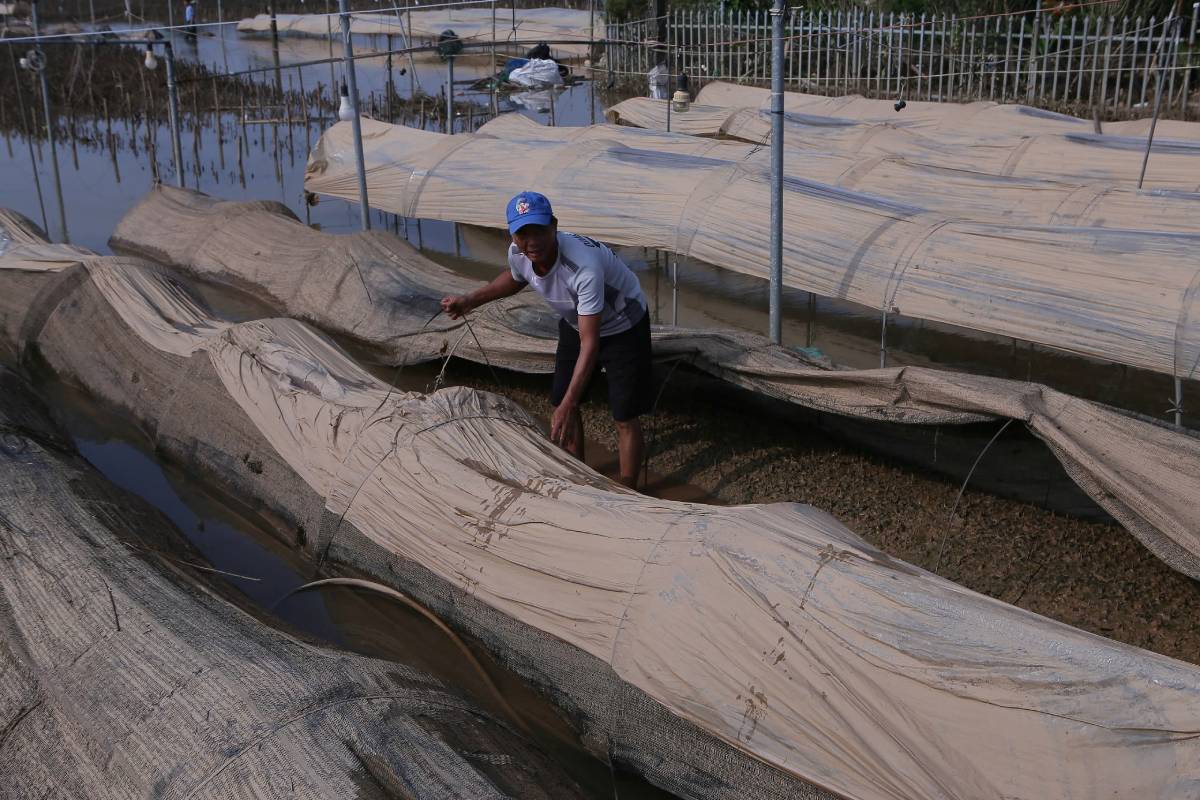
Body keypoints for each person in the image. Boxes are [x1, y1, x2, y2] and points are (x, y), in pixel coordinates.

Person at [441, 192, 652, 490]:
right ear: (512, 234)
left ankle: (630, 490)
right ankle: (579, 477)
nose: (532, 240)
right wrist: (470, 300)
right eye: (522, 233)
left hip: (622, 325)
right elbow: (515, 278)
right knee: (562, 402)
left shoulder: (582, 267)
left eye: (539, 230)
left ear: (553, 226)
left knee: (623, 414)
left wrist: (569, 402)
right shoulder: (519, 253)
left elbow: (590, 344)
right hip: (575, 320)